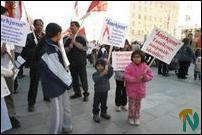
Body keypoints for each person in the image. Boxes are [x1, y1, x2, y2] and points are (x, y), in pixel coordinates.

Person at [38, 23, 73, 134]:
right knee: (57, 112)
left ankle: (67, 126)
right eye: (61, 33)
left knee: (66, 106)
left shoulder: (54, 44)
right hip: (54, 83)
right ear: (58, 34)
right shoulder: (48, 48)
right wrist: (68, 80)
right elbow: (56, 70)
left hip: (60, 82)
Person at [21, 19, 47, 112]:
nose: (39, 27)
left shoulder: (45, 36)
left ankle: (47, 96)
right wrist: (36, 50)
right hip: (35, 63)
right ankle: (31, 103)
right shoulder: (30, 36)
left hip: (45, 64)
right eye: (38, 25)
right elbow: (25, 51)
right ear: (34, 26)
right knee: (34, 84)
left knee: (46, 82)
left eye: (41, 25)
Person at [1, 5, 21, 129]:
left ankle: (11, 116)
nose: (7, 20)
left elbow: (12, 50)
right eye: (4, 17)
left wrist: (14, 66)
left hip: (9, 69)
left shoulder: (8, 33)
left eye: (8, 17)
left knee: (9, 94)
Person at [124, 50, 154, 126]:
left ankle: (137, 117)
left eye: (138, 57)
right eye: (134, 57)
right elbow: (126, 76)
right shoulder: (129, 66)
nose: (136, 59)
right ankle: (130, 116)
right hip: (131, 90)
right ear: (132, 58)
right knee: (131, 104)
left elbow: (150, 76)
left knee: (138, 104)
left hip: (140, 90)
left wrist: (145, 77)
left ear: (142, 58)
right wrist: (134, 79)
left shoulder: (145, 67)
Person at [64, 21, 89, 101]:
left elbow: (85, 48)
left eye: (73, 26)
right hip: (72, 63)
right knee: (74, 79)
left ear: (78, 27)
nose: (71, 27)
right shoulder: (68, 38)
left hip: (81, 62)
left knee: (83, 78)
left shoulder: (82, 37)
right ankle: (77, 93)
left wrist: (75, 43)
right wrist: (69, 47)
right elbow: (64, 50)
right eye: (70, 26)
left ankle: (85, 93)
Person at [92, 59, 113, 123]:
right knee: (96, 103)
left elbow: (111, 72)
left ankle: (103, 112)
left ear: (104, 66)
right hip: (98, 91)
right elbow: (95, 80)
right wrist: (102, 74)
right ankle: (95, 114)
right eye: (98, 65)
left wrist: (109, 65)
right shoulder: (95, 74)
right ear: (96, 67)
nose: (100, 67)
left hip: (105, 91)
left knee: (104, 103)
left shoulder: (106, 73)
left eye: (101, 65)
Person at [114, 39, 132, 112]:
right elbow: (116, 67)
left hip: (127, 78)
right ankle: (117, 105)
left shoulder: (131, 54)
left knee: (125, 91)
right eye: (123, 44)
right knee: (118, 90)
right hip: (119, 77)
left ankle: (124, 104)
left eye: (126, 44)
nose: (124, 46)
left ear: (128, 45)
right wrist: (122, 76)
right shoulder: (117, 54)